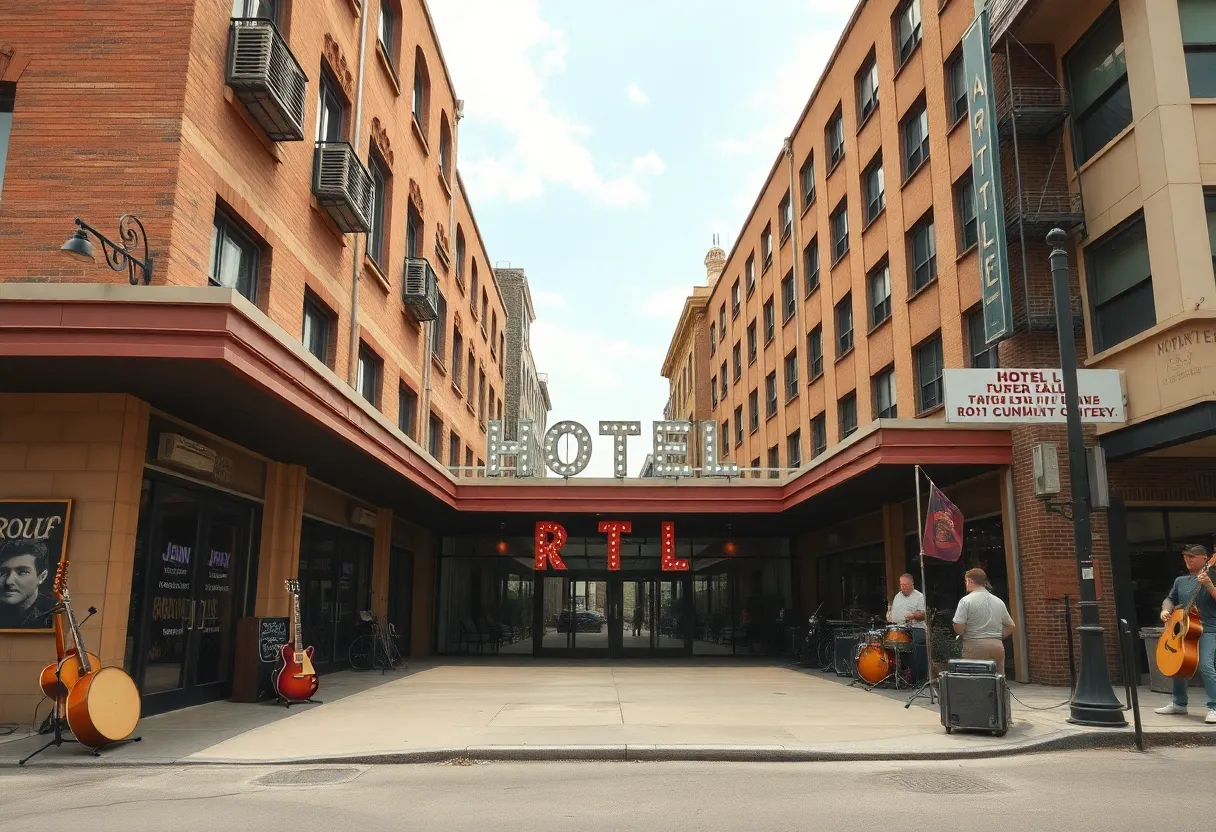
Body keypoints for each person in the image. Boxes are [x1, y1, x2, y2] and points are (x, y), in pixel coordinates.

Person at [1154, 543, 1216, 724]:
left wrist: (1209, 585)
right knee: (1177, 664)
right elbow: (1169, 599)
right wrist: (1165, 611)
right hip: (1185, 629)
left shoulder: (1212, 576)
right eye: (1185, 557)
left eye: (1192, 557)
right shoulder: (1180, 581)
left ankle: (1214, 707)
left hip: (1208, 629)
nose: (1188, 560)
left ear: (1206, 558)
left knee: (1206, 665)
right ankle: (1179, 703)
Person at [952, 567, 1014, 668]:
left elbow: (959, 627)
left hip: (974, 645)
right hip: (996, 645)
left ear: (970, 581)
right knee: (997, 680)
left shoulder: (966, 601)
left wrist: (957, 629)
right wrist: (997, 637)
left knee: (976, 679)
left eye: (965, 581)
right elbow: (1011, 626)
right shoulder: (998, 601)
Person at [0, 539, 56, 630]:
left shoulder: (53, 611)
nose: (8, 581)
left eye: (22, 572)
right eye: (2, 572)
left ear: (41, 577)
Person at [887, 573, 927, 682]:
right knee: (891, 646)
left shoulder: (919, 596)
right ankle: (898, 674)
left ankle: (917, 677)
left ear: (912, 584)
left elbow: (923, 615)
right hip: (900, 629)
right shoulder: (897, 596)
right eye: (901, 584)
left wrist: (913, 616)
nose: (902, 587)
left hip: (915, 628)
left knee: (914, 650)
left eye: (905, 584)